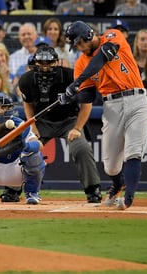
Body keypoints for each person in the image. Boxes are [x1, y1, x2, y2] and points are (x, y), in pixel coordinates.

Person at [59, 20, 147, 210]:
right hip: (112, 106)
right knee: (110, 166)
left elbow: (101, 58)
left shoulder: (112, 35)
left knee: (133, 152)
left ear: (88, 35)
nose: (78, 47)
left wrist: (77, 82)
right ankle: (118, 184)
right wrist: (71, 97)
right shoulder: (80, 63)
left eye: (79, 42)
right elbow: (87, 96)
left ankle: (128, 199)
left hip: (137, 99)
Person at [18, 45, 102, 203]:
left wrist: (77, 128)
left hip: (69, 120)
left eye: (49, 63)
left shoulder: (71, 76)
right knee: (25, 147)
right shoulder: (26, 80)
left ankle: (93, 189)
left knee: (81, 147)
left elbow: (87, 103)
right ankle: (12, 189)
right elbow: (27, 103)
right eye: (41, 63)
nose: (45, 67)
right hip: (41, 121)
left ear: (56, 62)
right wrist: (33, 126)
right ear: (34, 63)